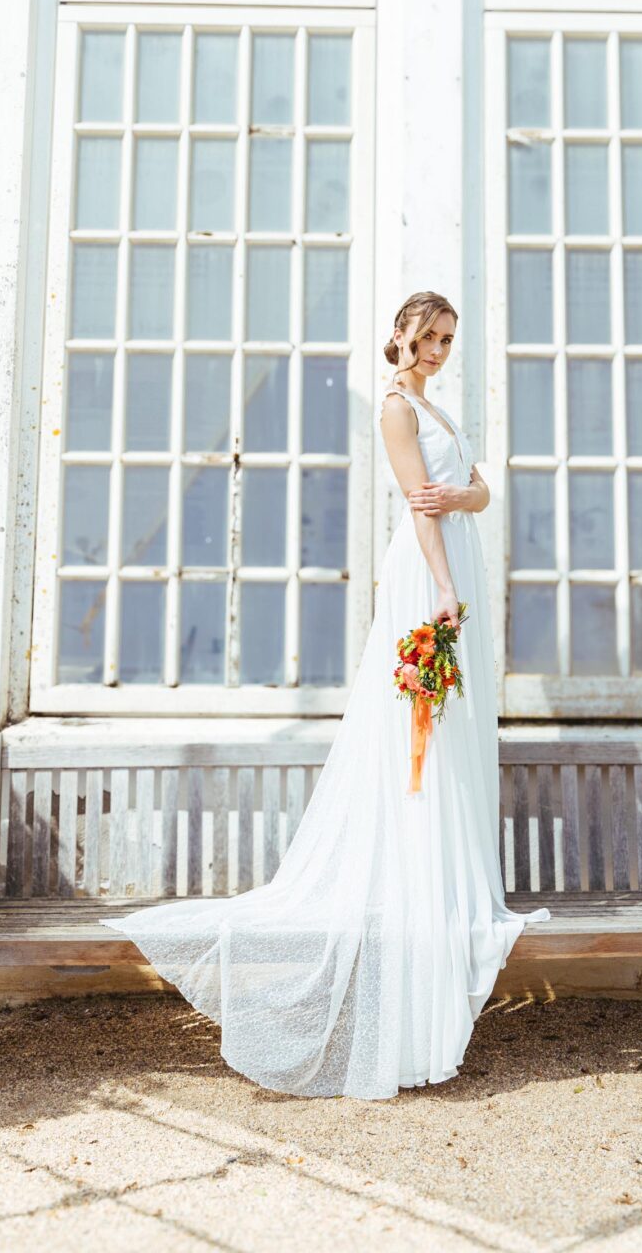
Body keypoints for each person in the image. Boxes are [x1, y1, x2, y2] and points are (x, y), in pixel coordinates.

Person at [100, 291, 550, 1098]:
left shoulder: (434, 406)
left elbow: (477, 490)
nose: (440, 348)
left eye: (450, 338)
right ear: (402, 333)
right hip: (430, 573)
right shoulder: (394, 412)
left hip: (457, 556)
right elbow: (422, 511)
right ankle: (413, 881)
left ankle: (450, 878)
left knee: (457, 725)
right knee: (425, 725)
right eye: (429, 336)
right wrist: (443, 589)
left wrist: (465, 501)